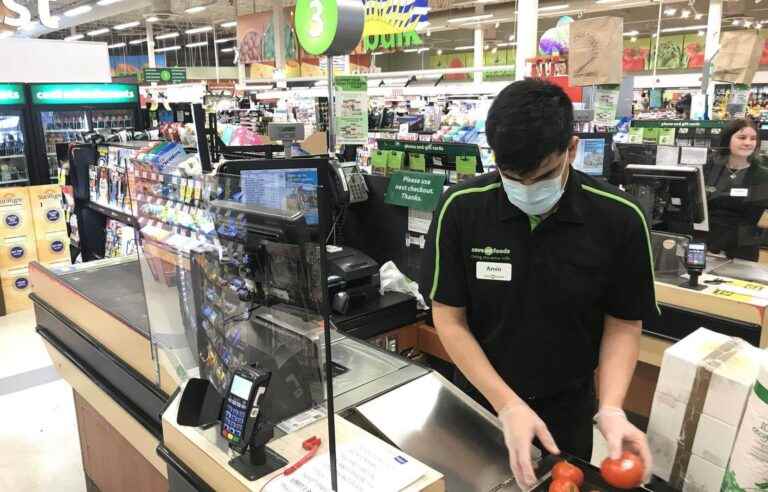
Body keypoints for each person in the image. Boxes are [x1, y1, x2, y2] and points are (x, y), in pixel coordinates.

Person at [421, 79, 656, 488]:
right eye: (512, 175)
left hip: (566, 409)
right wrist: (507, 404)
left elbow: (623, 323)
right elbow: (449, 318)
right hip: (480, 402)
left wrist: (613, 408)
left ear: (572, 149)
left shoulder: (619, 218)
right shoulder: (460, 208)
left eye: (543, 175)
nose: (526, 189)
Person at [703, 118, 768, 261]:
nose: (748, 143)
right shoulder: (708, 169)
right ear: (728, 139)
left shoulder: (762, 176)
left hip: (741, 251)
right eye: (742, 137)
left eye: (753, 138)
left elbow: (752, 218)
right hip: (705, 246)